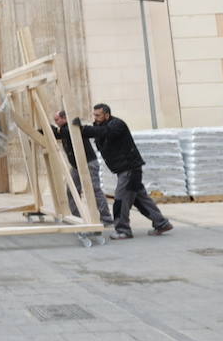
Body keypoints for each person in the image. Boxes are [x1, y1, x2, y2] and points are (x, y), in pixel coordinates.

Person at [82, 103, 173, 240]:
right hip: (124, 169)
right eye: (94, 115)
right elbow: (98, 133)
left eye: (98, 115)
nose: (95, 118)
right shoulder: (98, 126)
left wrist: (83, 129)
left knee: (121, 199)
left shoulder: (117, 124)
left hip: (129, 169)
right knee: (140, 199)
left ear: (107, 114)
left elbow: (105, 132)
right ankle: (161, 223)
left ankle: (123, 230)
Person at [51, 110, 114, 225]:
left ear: (64, 118)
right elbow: (56, 133)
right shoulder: (63, 130)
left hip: (88, 163)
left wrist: (56, 129)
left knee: (94, 189)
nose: (56, 122)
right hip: (76, 166)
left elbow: (66, 132)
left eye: (57, 120)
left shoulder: (73, 128)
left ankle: (106, 218)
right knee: (72, 190)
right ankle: (76, 217)